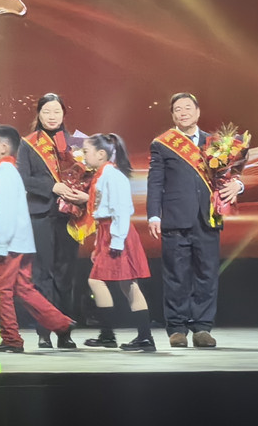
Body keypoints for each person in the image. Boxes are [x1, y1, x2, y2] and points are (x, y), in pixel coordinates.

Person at [146, 92, 243, 348]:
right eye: (178, 109)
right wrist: (154, 214)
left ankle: (202, 328)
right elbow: (155, 182)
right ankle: (177, 328)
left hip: (208, 218)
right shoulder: (162, 144)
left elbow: (232, 174)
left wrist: (238, 185)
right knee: (176, 276)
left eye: (188, 107)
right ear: (172, 115)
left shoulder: (217, 143)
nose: (183, 112)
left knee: (207, 274)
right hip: (175, 218)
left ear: (198, 112)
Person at [0, 125, 76, 353]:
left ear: (4, 147)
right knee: (24, 289)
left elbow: (6, 212)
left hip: (11, 243)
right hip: (21, 241)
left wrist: (0, 245)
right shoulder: (8, 170)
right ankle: (61, 323)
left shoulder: (5, 172)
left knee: (2, 289)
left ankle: (11, 339)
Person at [15, 93, 89, 348]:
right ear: (39, 114)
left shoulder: (76, 143)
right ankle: (44, 332)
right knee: (42, 275)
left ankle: (65, 333)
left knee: (65, 276)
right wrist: (52, 187)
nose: (52, 116)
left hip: (69, 216)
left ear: (63, 114)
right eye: (46, 111)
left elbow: (88, 176)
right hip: (41, 216)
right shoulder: (28, 144)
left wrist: (83, 194)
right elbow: (23, 178)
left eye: (57, 111)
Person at [80, 133, 155, 352]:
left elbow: (121, 211)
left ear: (101, 154)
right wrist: (99, 244)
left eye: (86, 151)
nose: (83, 156)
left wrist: (117, 241)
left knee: (103, 281)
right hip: (108, 232)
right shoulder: (103, 175)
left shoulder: (113, 176)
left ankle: (116, 335)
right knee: (126, 284)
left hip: (117, 233)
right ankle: (130, 336)